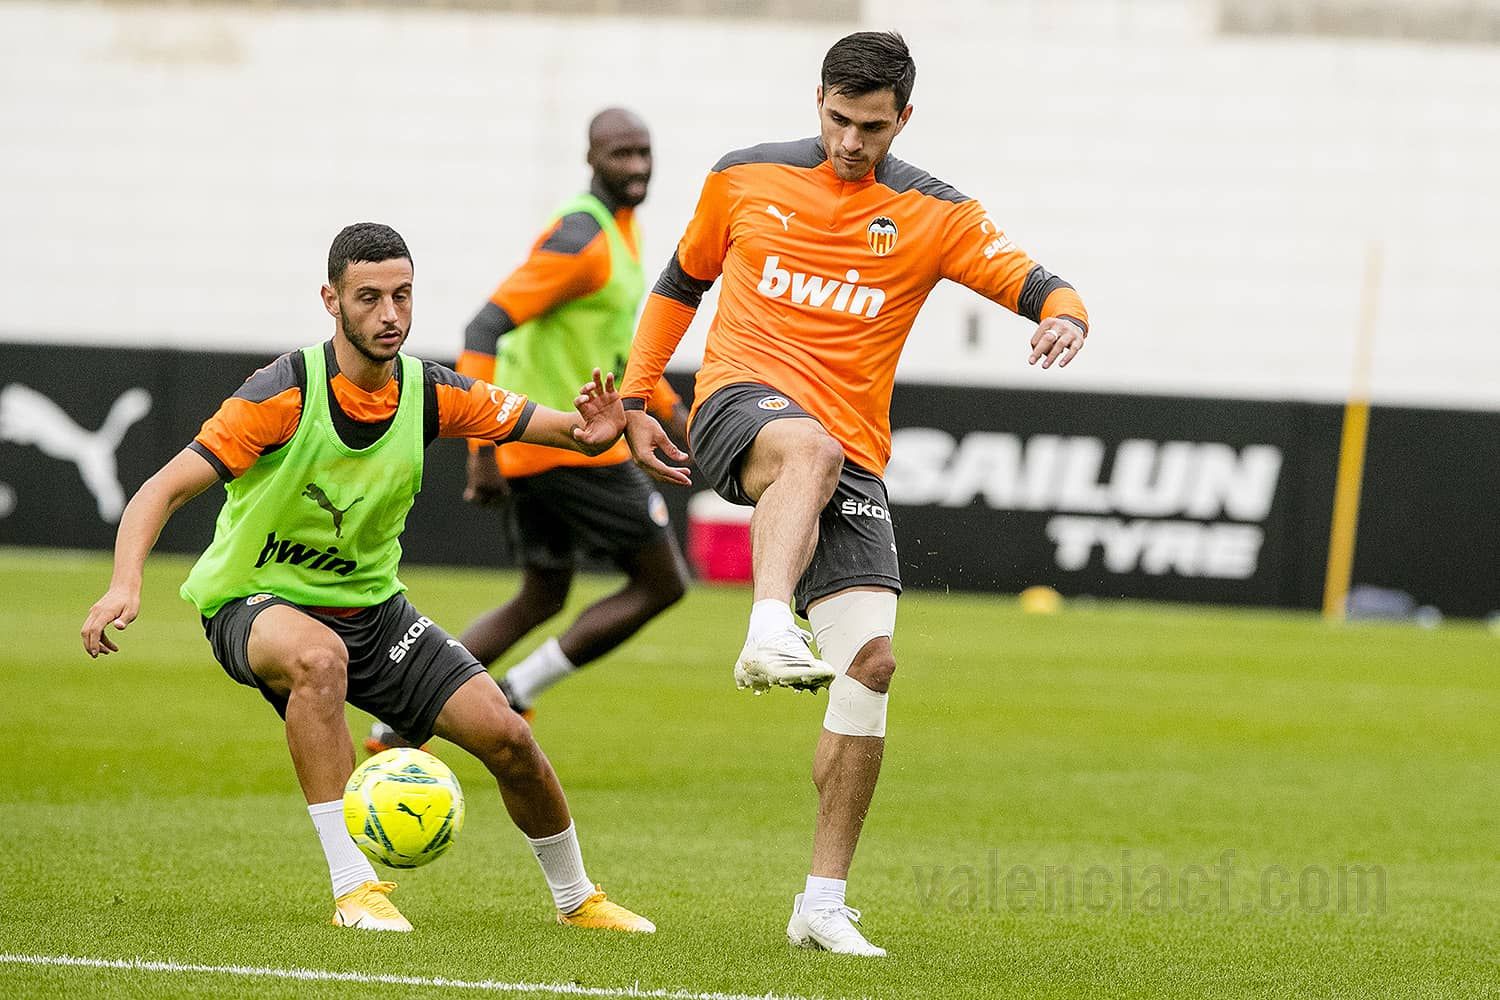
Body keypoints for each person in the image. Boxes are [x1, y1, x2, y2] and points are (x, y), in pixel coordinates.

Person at [619, 32, 1089, 956]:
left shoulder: (934, 212)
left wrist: (1067, 317)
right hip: (739, 410)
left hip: (848, 456)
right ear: (818, 104)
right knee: (807, 447)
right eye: (838, 119)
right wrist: (639, 397)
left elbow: (1038, 281)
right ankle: (764, 628)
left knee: (870, 665)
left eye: (871, 127)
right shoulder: (743, 178)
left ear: (902, 120)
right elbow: (680, 284)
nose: (850, 142)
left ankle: (820, 904)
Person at [81, 223, 655, 935]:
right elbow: (158, 492)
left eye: (403, 296)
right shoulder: (280, 394)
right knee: (318, 659)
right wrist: (123, 584)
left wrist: (598, 426)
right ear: (331, 300)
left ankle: (578, 900)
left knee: (507, 735)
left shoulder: (429, 392)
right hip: (252, 603)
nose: (391, 315)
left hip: (375, 613)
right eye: (370, 297)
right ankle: (356, 888)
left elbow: (553, 426)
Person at [366, 109, 688, 752]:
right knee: (662, 583)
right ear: (591, 157)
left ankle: (397, 721)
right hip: (568, 444)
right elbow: (483, 329)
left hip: (555, 444)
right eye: (621, 154)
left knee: (542, 594)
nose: (637, 168)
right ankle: (515, 691)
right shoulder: (581, 239)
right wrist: (481, 453)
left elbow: (615, 343)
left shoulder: (620, 233)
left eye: (644, 153)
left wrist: (676, 411)